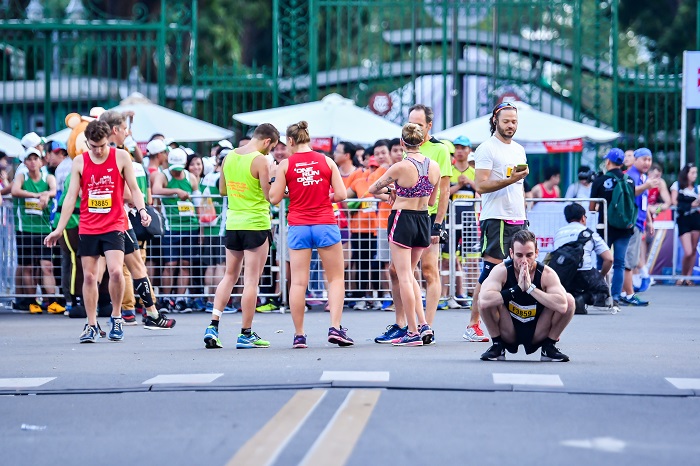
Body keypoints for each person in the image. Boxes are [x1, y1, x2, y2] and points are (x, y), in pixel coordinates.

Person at [44, 120, 152, 343]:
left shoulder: (121, 157)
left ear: (108, 141)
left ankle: (116, 317)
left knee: (114, 271)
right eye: (93, 146)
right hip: (89, 225)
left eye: (102, 145)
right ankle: (91, 324)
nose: (98, 150)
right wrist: (59, 229)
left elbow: (134, 188)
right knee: (90, 276)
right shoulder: (79, 162)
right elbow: (71, 196)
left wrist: (142, 210)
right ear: (87, 143)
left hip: (114, 224)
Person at [269, 121, 353, 349]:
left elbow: (274, 198)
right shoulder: (327, 161)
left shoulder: (285, 164)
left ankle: (299, 335)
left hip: (298, 225)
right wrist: (323, 197)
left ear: (290, 141)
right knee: (335, 278)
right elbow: (342, 194)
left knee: (298, 282)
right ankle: (335, 327)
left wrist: (288, 190)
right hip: (325, 222)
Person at [377, 104, 451, 345]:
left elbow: (444, 190)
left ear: (429, 126)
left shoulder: (438, 151)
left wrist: (438, 223)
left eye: (418, 123)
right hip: (419, 217)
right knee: (400, 272)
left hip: (419, 218)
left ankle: (420, 326)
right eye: (411, 122)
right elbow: (433, 191)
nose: (414, 126)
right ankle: (412, 325)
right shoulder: (414, 158)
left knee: (424, 272)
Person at [202, 124, 279, 349]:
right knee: (251, 280)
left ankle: (213, 325)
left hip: (233, 222)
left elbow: (223, 190)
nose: (270, 151)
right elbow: (270, 196)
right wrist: (274, 176)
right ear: (267, 141)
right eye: (271, 147)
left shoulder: (229, 157)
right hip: (256, 222)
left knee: (229, 275)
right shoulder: (261, 160)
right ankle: (245, 332)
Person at [463, 102, 529, 344]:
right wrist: (510, 180)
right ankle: (473, 324)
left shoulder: (519, 149)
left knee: (520, 271)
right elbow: (480, 185)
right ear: (495, 121)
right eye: (506, 121)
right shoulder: (486, 149)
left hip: (518, 218)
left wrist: (523, 211)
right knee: (491, 273)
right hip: (496, 219)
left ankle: (514, 321)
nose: (511, 126)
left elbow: (519, 185)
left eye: (514, 122)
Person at [479, 230, 575, 362]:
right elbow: (483, 300)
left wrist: (530, 288)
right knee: (487, 298)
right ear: (511, 253)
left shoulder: (546, 274)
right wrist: (516, 289)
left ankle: (549, 346)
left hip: (538, 329)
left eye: (529, 255)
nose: (524, 261)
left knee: (569, 299)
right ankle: (497, 345)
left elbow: (563, 305)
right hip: (508, 329)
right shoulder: (501, 271)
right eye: (519, 255)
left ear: (536, 253)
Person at [152, 147, 201, 312]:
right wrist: (176, 191)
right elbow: (156, 190)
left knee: (186, 264)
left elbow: (198, 200)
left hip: (190, 225)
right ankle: (166, 298)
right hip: (171, 226)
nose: (177, 173)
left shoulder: (191, 177)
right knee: (170, 264)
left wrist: (202, 221)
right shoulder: (163, 175)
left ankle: (180, 298)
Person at [11, 147, 59, 314]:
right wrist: (36, 195)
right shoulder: (21, 176)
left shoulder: (48, 177)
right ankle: (32, 302)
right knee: (28, 266)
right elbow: (15, 190)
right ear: (25, 162)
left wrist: (46, 194)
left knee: (47, 266)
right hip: (25, 228)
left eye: (35, 159)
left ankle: (52, 301)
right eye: (29, 159)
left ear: (41, 161)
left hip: (44, 228)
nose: (32, 162)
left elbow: (54, 190)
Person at [589, 148, 637, 303]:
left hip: (605, 227)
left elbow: (591, 207)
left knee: (601, 261)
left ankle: (600, 294)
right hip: (625, 228)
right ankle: (616, 295)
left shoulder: (600, 181)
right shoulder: (629, 180)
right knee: (619, 263)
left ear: (608, 161)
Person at [552, 203, 613, 312]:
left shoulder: (559, 233)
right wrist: (601, 276)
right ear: (583, 218)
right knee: (602, 289)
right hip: (585, 273)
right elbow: (609, 259)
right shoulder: (590, 234)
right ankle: (582, 299)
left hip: (563, 274)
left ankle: (572, 299)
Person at [619, 147, 657, 306]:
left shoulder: (642, 176)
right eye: (644, 159)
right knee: (629, 260)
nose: (647, 162)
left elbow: (644, 202)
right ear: (636, 159)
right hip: (632, 222)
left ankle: (623, 292)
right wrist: (646, 186)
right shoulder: (632, 175)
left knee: (631, 260)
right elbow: (631, 193)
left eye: (649, 159)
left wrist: (648, 220)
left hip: (639, 222)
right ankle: (628, 294)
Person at [444, 135, 477, 308]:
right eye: (457, 147)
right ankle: (446, 295)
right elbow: (444, 192)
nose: (460, 151)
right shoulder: (450, 169)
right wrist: (458, 185)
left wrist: (469, 181)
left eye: (463, 148)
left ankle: (472, 295)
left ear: (469, 150)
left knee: (472, 259)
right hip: (451, 221)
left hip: (470, 221)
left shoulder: (474, 171)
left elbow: (482, 188)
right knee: (446, 258)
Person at [671, 163, 700, 285]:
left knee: (693, 250)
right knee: (687, 251)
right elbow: (674, 202)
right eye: (692, 173)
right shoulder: (677, 186)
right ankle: (682, 275)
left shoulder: (697, 188)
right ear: (686, 174)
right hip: (683, 219)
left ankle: (688, 277)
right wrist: (691, 204)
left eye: (696, 173)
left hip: (696, 218)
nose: (695, 175)